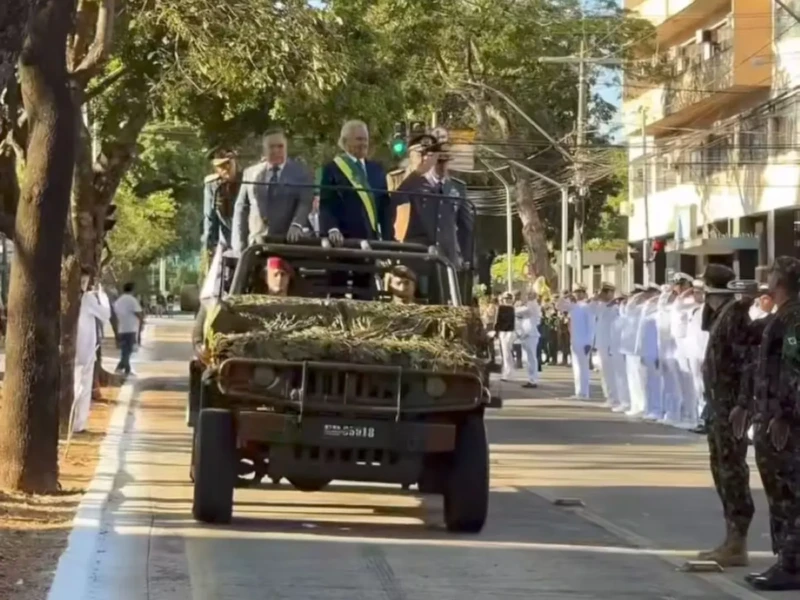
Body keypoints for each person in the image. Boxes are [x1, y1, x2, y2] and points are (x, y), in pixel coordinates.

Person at [745, 256, 800, 591]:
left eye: (773, 274)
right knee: (779, 492)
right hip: (770, 416)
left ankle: (792, 563)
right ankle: (785, 559)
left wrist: (785, 413)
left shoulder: (794, 317)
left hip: (787, 423)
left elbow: (795, 370)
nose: (768, 278)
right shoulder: (782, 315)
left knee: (789, 493)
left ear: (782, 281)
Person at [695, 264, 756, 567]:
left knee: (732, 471)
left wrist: (742, 405)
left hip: (730, 407)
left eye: (702, 288)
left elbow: (746, 364)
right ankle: (731, 540)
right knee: (721, 469)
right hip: (718, 405)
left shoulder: (734, 316)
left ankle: (737, 542)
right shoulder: (721, 315)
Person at [393, 130, 474, 268]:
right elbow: (397, 205)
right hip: (418, 256)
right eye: (438, 161)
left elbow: (466, 227)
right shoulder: (414, 185)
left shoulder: (457, 188)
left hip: (447, 259)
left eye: (445, 161)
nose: (442, 165)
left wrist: (467, 257)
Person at [231, 129, 314, 253]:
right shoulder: (251, 173)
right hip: (256, 243)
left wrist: (296, 224)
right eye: (271, 147)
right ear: (264, 149)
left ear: (286, 147)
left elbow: (305, 202)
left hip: (288, 242)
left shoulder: (301, 173)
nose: (276, 151)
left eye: (280, 146)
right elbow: (241, 208)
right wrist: (238, 245)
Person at [320, 120, 392, 244]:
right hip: (345, 241)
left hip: (372, 241)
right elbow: (327, 202)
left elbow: (384, 207)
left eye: (365, 139)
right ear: (345, 142)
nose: (364, 143)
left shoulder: (376, 169)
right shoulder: (333, 168)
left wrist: (388, 238)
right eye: (359, 139)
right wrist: (332, 228)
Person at [71, 270, 111, 433]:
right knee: (83, 387)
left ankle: (73, 422)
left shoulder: (66, 297)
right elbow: (106, 314)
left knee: (74, 386)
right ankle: (78, 424)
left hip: (73, 351)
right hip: (85, 351)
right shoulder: (87, 299)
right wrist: (102, 296)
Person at [202, 149, 241, 270]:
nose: (225, 169)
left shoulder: (247, 180)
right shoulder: (213, 185)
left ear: (235, 162)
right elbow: (209, 218)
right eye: (220, 166)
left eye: (228, 163)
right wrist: (208, 248)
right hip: (227, 242)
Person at [556, 285, 595, 399]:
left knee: (583, 368)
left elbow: (591, 326)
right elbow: (559, 306)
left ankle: (584, 392)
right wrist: (565, 296)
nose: (577, 294)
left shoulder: (587, 307)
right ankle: (579, 392)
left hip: (584, 341)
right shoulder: (573, 306)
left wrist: (589, 342)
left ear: (584, 293)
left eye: (580, 292)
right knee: (576, 368)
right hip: (574, 340)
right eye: (576, 292)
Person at [591, 283, 618, 407]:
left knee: (611, 373)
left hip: (610, 344)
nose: (601, 295)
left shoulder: (615, 307)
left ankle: (615, 398)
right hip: (601, 343)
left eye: (604, 293)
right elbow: (590, 310)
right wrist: (595, 299)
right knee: (604, 372)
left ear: (610, 293)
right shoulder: (600, 306)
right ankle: (609, 396)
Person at [113, 282, 144, 377]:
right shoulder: (132, 300)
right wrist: (142, 323)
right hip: (130, 328)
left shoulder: (119, 300)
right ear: (132, 289)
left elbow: (115, 314)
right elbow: (138, 313)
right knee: (128, 349)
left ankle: (126, 369)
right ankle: (120, 367)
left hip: (121, 328)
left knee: (125, 349)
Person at [516, 292, 542, 389]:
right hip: (525, 334)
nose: (528, 297)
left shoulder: (533, 305)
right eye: (528, 295)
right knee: (527, 359)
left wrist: (513, 308)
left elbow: (521, 311)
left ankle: (533, 380)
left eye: (530, 295)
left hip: (531, 334)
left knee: (531, 358)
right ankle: (530, 378)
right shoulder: (528, 305)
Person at [497, 292, 517, 381]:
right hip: (503, 331)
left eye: (509, 299)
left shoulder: (514, 309)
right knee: (505, 353)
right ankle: (507, 372)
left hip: (510, 331)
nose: (507, 300)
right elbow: (498, 320)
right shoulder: (501, 308)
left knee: (507, 353)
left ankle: (508, 373)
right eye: (505, 299)